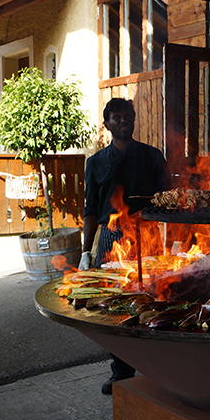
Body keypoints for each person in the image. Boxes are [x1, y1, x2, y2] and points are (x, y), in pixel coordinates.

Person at [79, 98, 171, 394]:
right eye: (116, 117)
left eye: (127, 116)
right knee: (115, 306)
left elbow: (169, 201)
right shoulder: (95, 164)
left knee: (153, 300)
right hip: (110, 236)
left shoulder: (152, 156)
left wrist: (178, 237)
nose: (122, 121)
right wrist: (85, 251)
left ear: (134, 121)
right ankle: (121, 372)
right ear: (106, 124)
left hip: (147, 235)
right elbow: (90, 209)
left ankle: (157, 370)